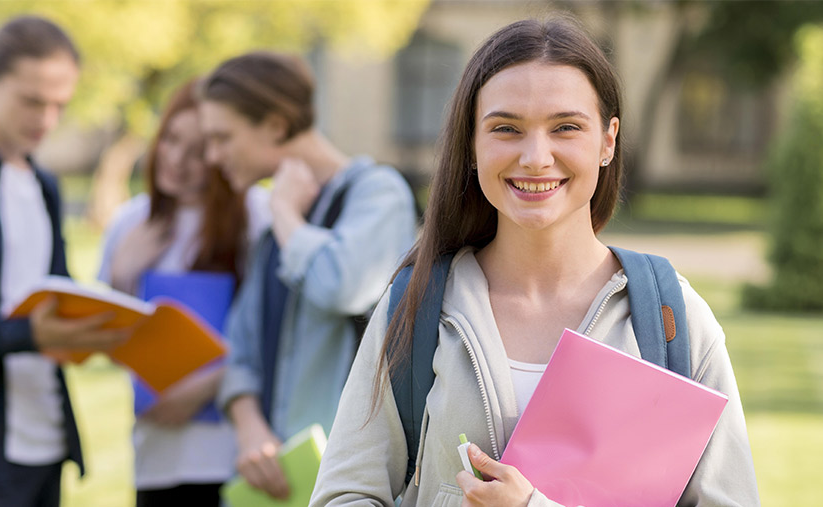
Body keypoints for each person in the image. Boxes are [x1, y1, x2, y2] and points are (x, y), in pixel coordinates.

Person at [309, 18, 760, 507]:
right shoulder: (416, 305)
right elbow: (344, 494)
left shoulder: (673, 320)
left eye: (565, 127)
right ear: (472, 145)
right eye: (507, 128)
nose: (535, 157)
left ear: (608, 140)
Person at [0, 15, 129, 507]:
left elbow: (55, 293)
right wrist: (27, 335)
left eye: (60, 104)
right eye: (32, 101)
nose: (47, 120)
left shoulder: (46, 184)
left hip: (46, 441)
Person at [199, 51, 418, 500]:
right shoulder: (279, 227)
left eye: (223, 137)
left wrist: (284, 214)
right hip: (280, 482)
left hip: (352, 483)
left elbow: (345, 285)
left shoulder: (378, 192)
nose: (212, 156)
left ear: (276, 125)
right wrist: (249, 427)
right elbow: (237, 348)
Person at [96, 78, 269, 506]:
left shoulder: (257, 216)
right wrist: (121, 276)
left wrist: (203, 387)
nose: (178, 160)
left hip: (233, 451)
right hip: (155, 449)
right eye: (171, 139)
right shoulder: (130, 221)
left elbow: (272, 334)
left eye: (198, 151)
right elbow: (103, 342)